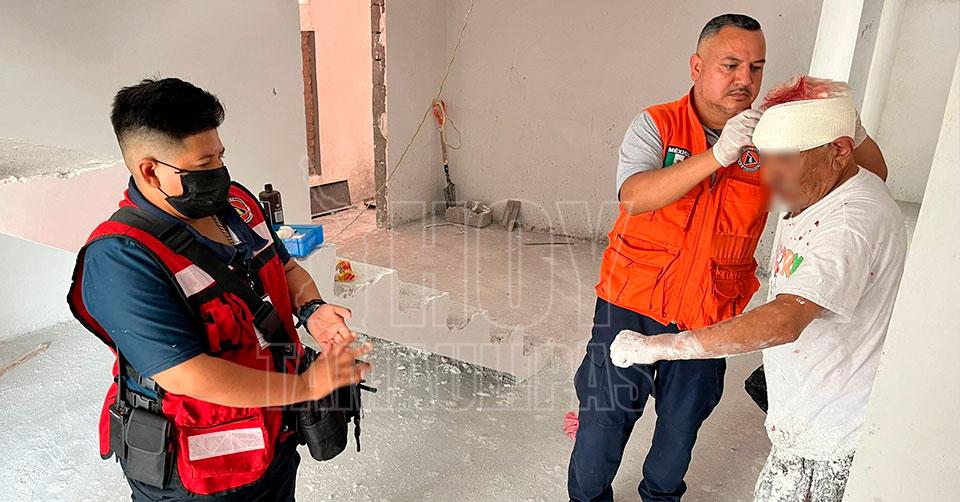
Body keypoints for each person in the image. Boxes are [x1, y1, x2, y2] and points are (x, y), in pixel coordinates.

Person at [568, 14, 888, 502]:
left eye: (756, 67)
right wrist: (718, 156)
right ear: (697, 66)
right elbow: (634, 197)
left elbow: (872, 173)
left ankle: (660, 498)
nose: (745, 79)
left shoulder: (772, 136)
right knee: (603, 420)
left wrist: (846, 121)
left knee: (680, 430)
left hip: (710, 311)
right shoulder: (658, 123)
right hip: (628, 301)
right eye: (731, 65)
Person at [67, 77, 372, 501]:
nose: (219, 172)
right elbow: (186, 374)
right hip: (196, 476)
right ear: (151, 171)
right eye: (204, 162)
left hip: (275, 437)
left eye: (220, 156)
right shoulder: (122, 258)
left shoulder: (237, 206)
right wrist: (305, 387)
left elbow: (285, 268)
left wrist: (311, 308)